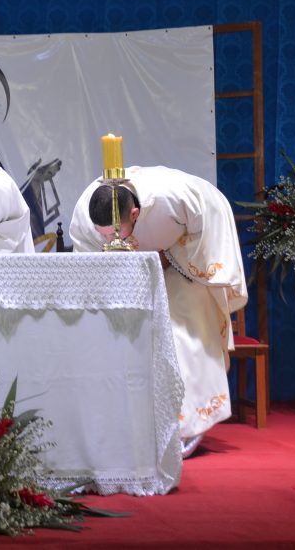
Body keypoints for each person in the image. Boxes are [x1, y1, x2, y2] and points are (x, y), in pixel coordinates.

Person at [68, 165, 247, 457]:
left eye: (119, 234)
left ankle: (189, 426)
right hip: (127, 274)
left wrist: (168, 256)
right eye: (104, 235)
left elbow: (211, 220)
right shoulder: (86, 214)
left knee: (185, 334)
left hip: (182, 263)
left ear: (135, 214)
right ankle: (131, 427)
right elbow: (89, 258)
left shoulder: (176, 197)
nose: (113, 240)